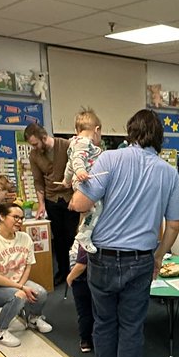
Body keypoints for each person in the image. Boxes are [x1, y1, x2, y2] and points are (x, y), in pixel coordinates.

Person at [71, 109, 179, 357]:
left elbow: (79, 202)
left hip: (102, 257)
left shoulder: (107, 159)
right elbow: (174, 224)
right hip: (140, 259)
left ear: (129, 131)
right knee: (132, 326)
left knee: (104, 321)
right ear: (158, 137)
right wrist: (160, 256)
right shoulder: (168, 172)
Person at [0, 203, 53, 347]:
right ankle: (0, 332)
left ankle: (34, 318)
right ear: (2, 217)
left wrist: (21, 285)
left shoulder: (25, 238)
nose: (20, 221)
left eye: (21, 218)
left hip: (15, 282)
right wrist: (20, 288)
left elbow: (27, 266)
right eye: (15, 217)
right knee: (18, 295)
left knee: (40, 292)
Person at [24, 122, 76, 286]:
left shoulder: (66, 145)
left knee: (72, 237)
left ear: (44, 137)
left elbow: (78, 168)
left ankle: (76, 272)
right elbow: (38, 182)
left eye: (35, 144)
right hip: (52, 199)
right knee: (59, 239)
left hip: (71, 198)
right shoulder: (34, 156)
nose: (34, 147)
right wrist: (41, 205)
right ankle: (62, 271)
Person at [64, 108, 105, 253]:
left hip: (78, 181)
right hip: (84, 181)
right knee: (97, 207)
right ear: (97, 130)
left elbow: (69, 165)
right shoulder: (84, 143)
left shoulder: (73, 144)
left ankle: (81, 238)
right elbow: (78, 160)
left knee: (89, 210)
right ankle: (85, 235)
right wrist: (81, 171)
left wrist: (66, 180)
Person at [65, 243, 93, 353]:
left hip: (81, 281)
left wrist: (70, 277)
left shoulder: (81, 242)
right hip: (98, 280)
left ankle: (85, 340)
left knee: (84, 312)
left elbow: (80, 265)